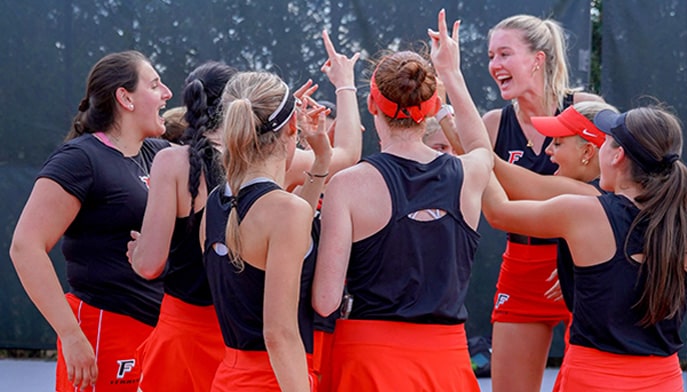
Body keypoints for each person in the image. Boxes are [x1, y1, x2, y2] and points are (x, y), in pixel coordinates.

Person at [312, 10, 492, 390]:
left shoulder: (347, 185)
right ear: (430, 107)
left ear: (373, 106)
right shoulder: (470, 174)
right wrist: (452, 74)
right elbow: (480, 146)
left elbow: (325, 302)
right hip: (446, 363)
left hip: (367, 360)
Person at [482, 105, 687, 391]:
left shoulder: (586, 212)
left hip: (593, 377)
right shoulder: (679, 220)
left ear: (617, 155)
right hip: (664, 380)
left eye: (606, 142)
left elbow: (498, 212)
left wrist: (476, 155)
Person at [203, 30, 360, 391]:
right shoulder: (284, 211)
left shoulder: (217, 201)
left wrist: (320, 162)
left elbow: (286, 235)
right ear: (294, 128)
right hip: (275, 379)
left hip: (228, 378)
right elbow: (278, 334)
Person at [9, 50, 172, 391]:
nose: (167, 93)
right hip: (104, 330)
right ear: (125, 97)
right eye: (155, 85)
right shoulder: (81, 158)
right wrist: (71, 334)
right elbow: (26, 247)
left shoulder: (159, 155)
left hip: (157, 332)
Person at [481, 14, 604, 392]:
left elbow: (622, 188)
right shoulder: (494, 124)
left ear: (538, 58)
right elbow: (492, 203)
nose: (495, 65)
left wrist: (577, 252)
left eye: (505, 53)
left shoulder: (585, 109)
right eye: (491, 56)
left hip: (588, 264)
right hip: (521, 266)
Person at [127, 61, 236, 392]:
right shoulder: (261, 160)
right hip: (238, 338)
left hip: (181, 336)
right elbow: (344, 154)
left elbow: (149, 265)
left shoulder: (171, 161)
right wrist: (344, 86)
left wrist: (138, 252)